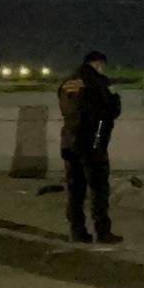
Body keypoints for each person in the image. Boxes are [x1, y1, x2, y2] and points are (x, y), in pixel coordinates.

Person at [58, 51, 123, 244]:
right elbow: (112, 109)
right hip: (93, 141)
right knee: (99, 189)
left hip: (69, 141)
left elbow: (66, 109)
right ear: (98, 64)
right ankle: (102, 232)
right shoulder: (100, 82)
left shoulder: (67, 82)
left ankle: (77, 232)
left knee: (75, 190)